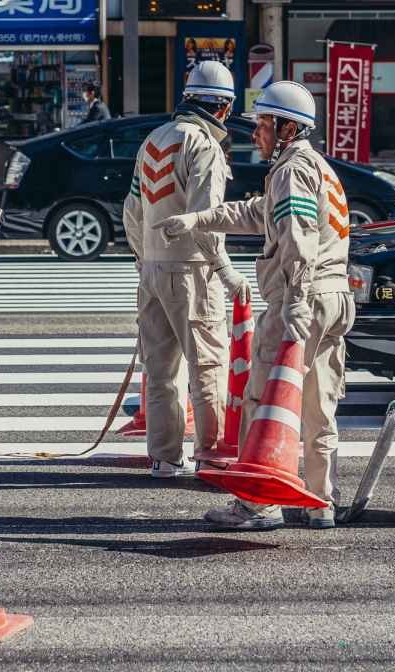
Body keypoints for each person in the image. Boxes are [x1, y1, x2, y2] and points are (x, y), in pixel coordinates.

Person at [154, 80, 356, 531]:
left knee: (261, 400)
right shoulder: (313, 166)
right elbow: (255, 213)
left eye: (264, 124)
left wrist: (295, 300)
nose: (256, 133)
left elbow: (298, 238)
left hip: (302, 296)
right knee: (317, 405)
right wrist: (197, 219)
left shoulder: (291, 170)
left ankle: (257, 505)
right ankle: (320, 501)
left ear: (287, 127)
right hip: (335, 295)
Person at [121, 60, 247, 478]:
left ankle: (164, 457)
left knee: (160, 370)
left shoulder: (154, 139)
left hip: (152, 266)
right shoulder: (204, 145)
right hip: (193, 269)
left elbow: (132, 210)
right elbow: (205, 217)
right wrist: (225, 268)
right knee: (207, 365)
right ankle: (210, 454)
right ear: (224, 108)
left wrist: (145, 258)